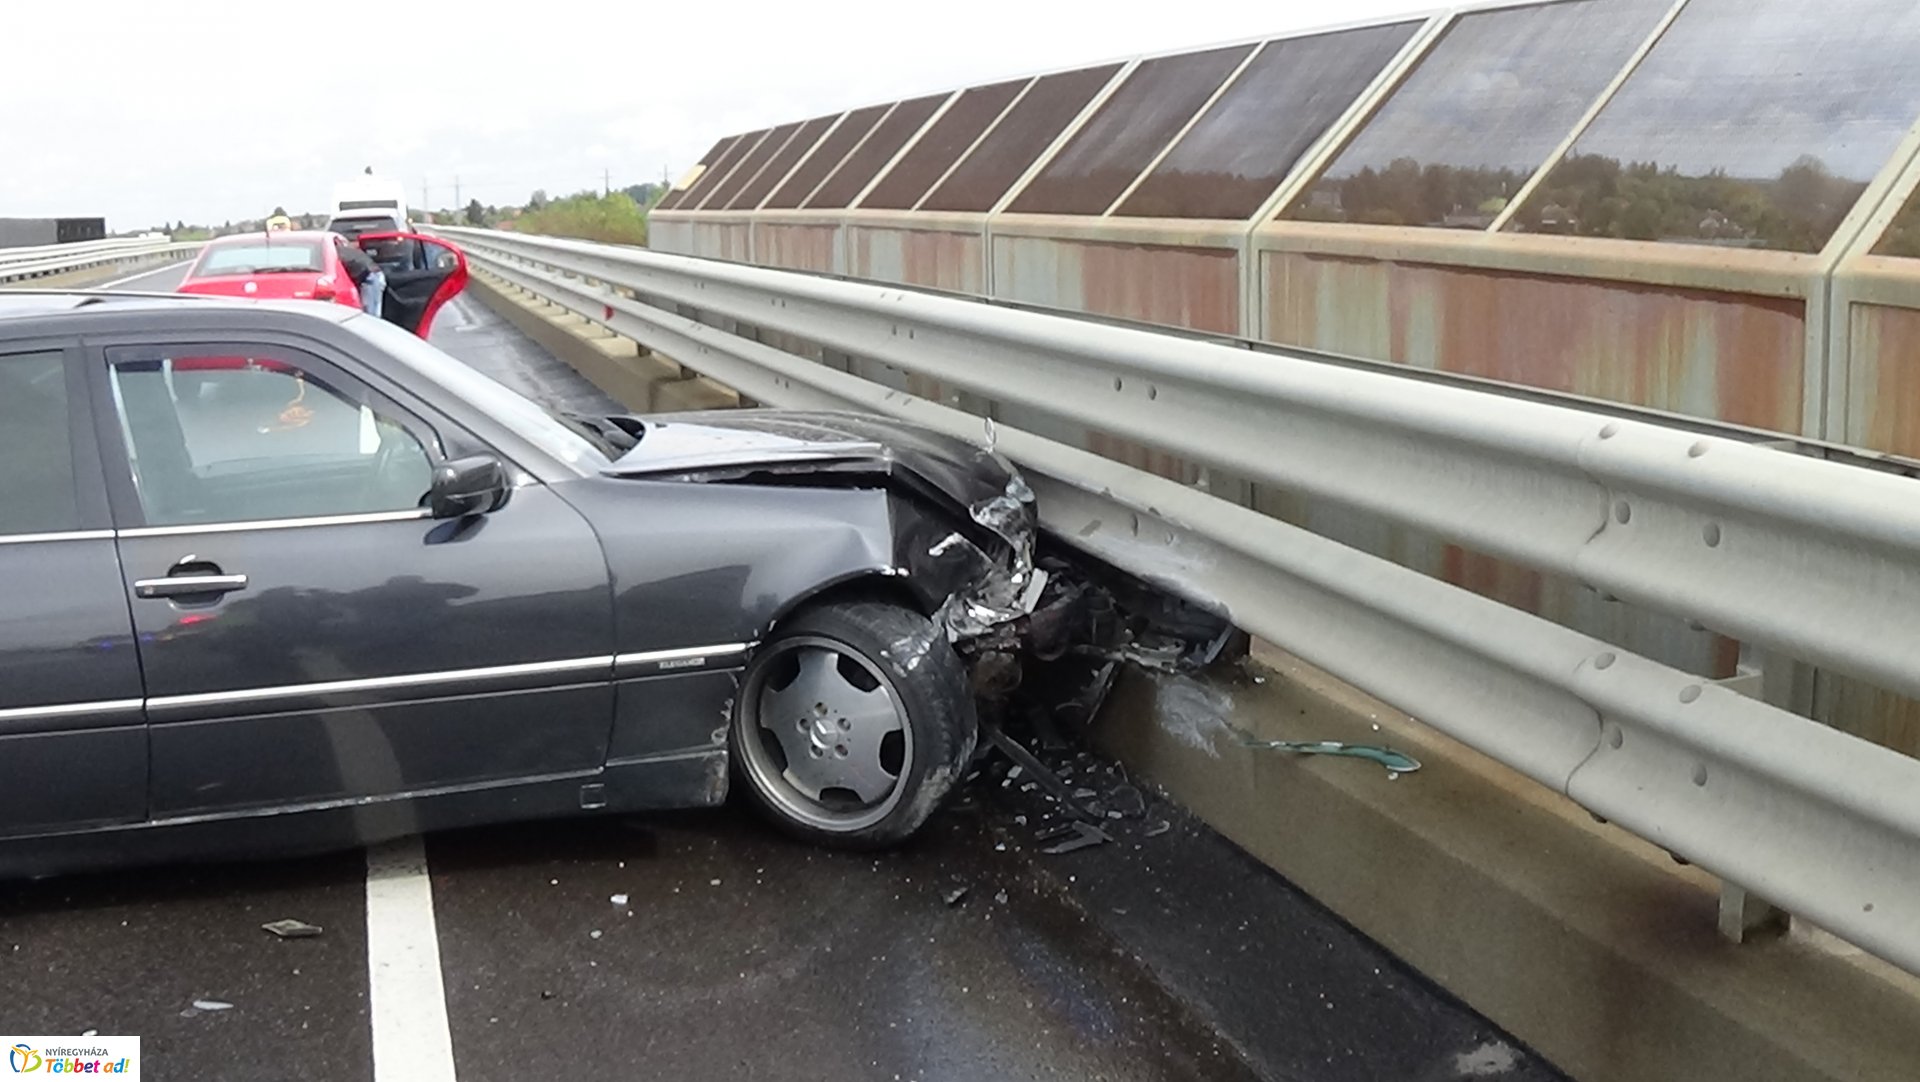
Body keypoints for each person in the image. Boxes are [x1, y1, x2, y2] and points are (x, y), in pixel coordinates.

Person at [336, 237, 385, 319]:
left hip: (370, 277)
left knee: (369, 313)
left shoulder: (337, 254)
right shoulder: (347, 250)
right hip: (374, 274)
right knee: (373, 313)